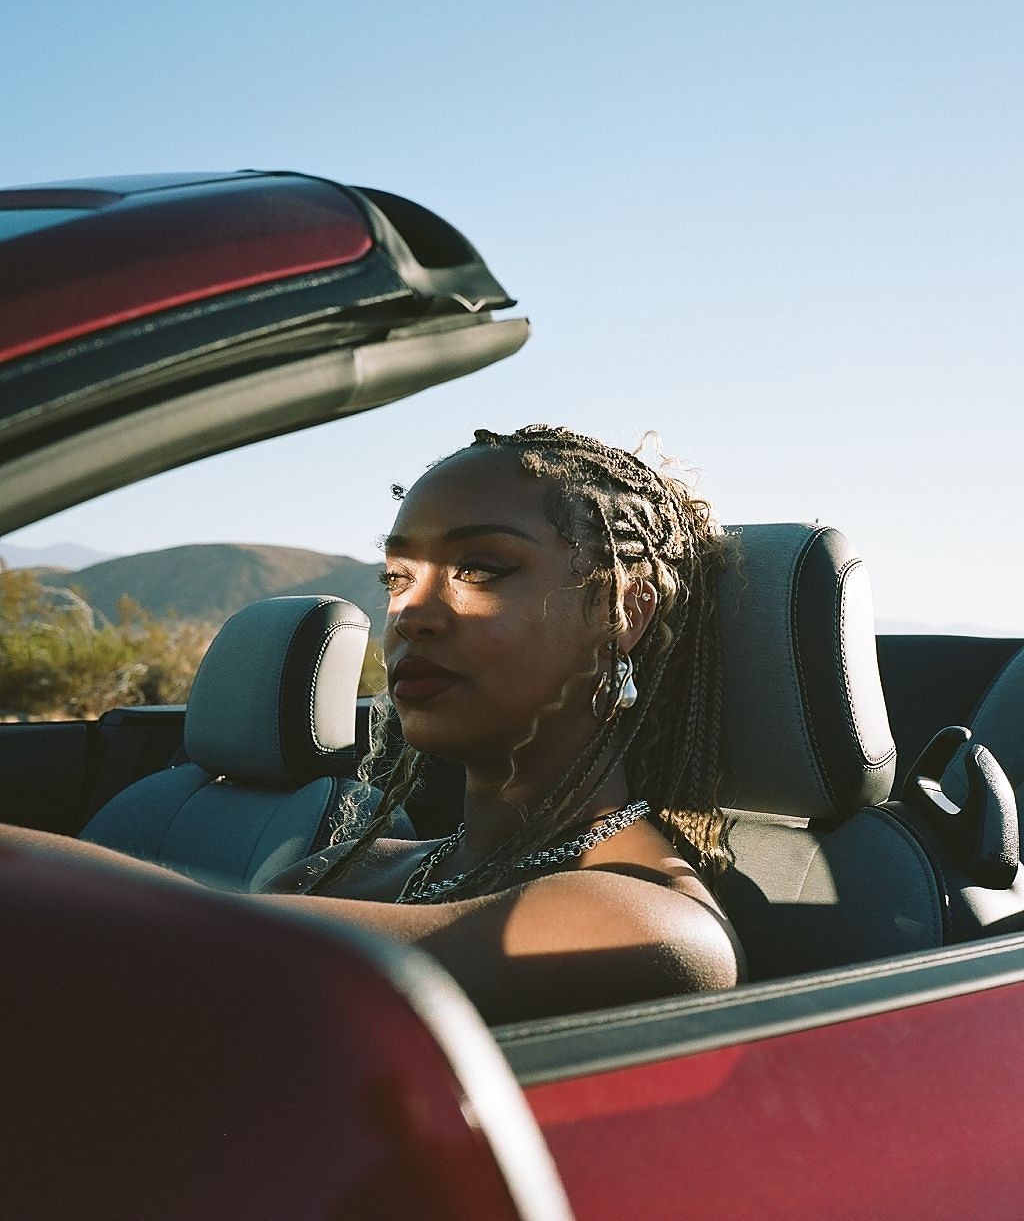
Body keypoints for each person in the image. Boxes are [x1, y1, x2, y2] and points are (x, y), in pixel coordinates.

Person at [0, 424, 745, 1023]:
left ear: (626, 608)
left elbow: (192, 957)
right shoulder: (347, 865)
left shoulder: (646, 920)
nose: (411, 613)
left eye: (481, 569)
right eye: (398, 577)